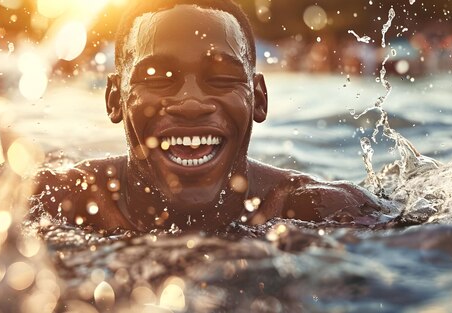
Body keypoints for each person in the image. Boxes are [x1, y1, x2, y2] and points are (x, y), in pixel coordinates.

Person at [31, 0, 398, 232]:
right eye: (157, 78)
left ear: (258, 99)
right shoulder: (58, 199)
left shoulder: (319, 209)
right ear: (114, 99)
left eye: (222, 78)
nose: (191, 103)